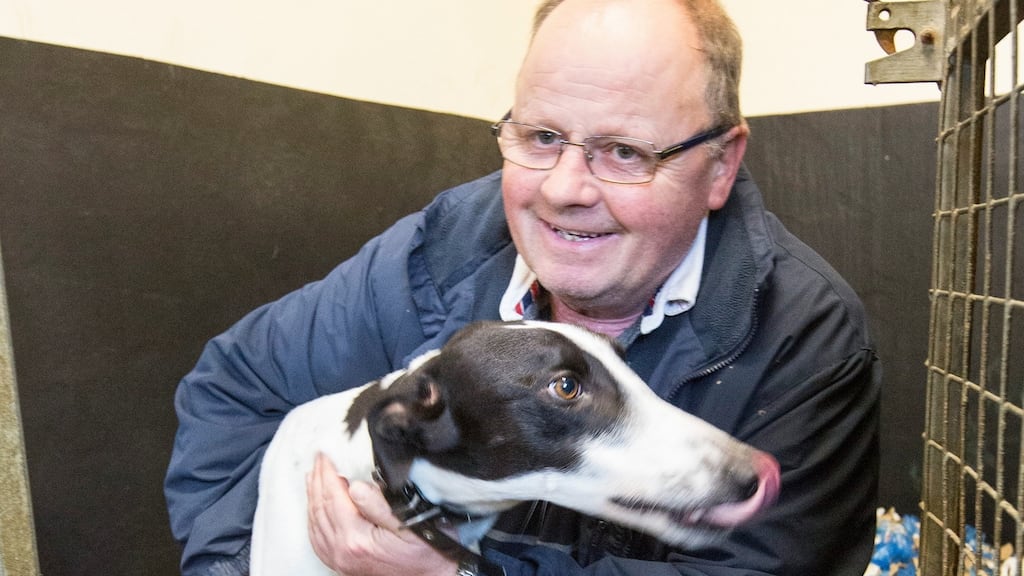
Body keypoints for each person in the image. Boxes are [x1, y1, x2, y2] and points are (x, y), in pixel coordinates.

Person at [165, 0, 881, 574]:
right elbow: (235, 387)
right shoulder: (442, 250)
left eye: (624, 152)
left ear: (720, 165)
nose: (565, 190)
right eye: (541, 138)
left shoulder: (805, 338)